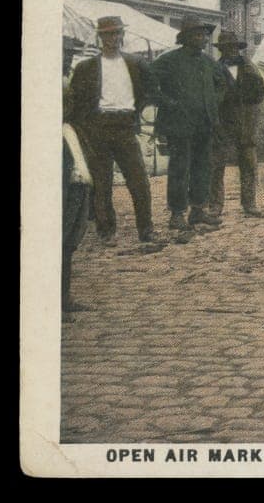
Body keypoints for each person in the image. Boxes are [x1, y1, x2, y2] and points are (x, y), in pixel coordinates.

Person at [63, 16, 156, 245]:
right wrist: (84, 128)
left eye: (116, 33)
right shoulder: (87, 67)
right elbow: (76, 100)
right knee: (102, 183)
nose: (113, 38)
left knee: (139, 182)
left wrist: (136, 112)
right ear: (100, 37)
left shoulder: (135, 63)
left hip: (125, 128)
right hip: (98, 129)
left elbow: (150, 90)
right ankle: (106, 231)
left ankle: (146, 230)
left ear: (122, 35)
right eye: (107, 34)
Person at [151, 16, 226, 232]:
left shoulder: (208, 63)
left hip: (204, 125)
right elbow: (148, 81)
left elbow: (222, 84)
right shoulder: (169, 60)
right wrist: (167, 102)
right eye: (197, 34)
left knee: (203, 167)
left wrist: (212, 102)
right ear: (184, 37)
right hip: (179, 125)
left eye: (203, 34)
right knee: (179, 169)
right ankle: (176, 214)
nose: (202, 38)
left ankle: (198, 211)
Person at [208, 31, 264, 220]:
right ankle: (216, 206)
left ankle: (249, 204)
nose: (230, 51)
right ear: (221, 50)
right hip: (223, 124)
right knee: (216, 166)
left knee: (249, 165)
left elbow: (259, 94)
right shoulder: (214, 70)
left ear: (238, 48)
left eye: (233, 47)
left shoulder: (249, 67)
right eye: (226, 48)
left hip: (246, 124)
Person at [62, 122, 93, 314]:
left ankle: (64, 298)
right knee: (59, 241)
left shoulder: (73, 127)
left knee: (70, 242)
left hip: (79, 184)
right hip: (65, 187)